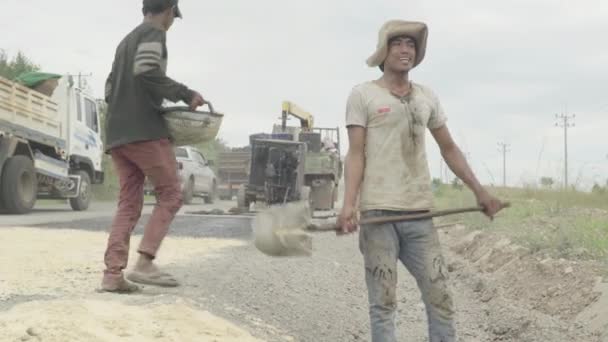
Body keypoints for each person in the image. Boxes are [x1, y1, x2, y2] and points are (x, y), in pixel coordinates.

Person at [337, 20, 506, 341]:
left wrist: (479, 192)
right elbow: (355, 154)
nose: (405, 50)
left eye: (411, 45)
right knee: (383, 303)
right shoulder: (363, 95)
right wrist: (349, 205)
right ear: (383, 51)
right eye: (398, 43)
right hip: (378, 216)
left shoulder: (426, 97)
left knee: (440, 297)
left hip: (420, 216)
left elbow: (449, 148)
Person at [101, 0, 205, 293]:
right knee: (171, 192)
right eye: (173, 15)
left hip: (118, 135)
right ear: (169, 10)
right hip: (144, 131)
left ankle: (112, 275)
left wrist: (127, 104)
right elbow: (147, 72)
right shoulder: (154, 33)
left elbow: (109, 88)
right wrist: (186, 94)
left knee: (129, 202)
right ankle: (145, 263)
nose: (172, 21)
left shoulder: (124, 42)